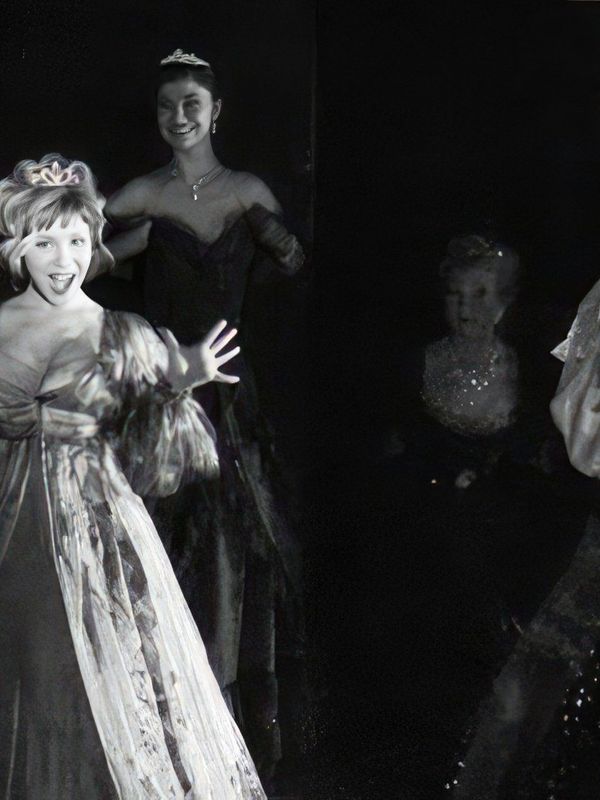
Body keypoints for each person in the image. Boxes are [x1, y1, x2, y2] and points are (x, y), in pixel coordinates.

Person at [0, 153, 266, 800]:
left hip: (93, 523)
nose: (63, 259)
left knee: (98, 664)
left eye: (75, 241)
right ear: (18, 246)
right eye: (44, 242)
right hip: (10, 518)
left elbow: (155, 454)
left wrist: (180, 382)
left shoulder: (119, 332)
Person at [103, 48, 306, 784]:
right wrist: (140, 242)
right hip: (162, 389)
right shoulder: (143, 192)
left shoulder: (246, 188)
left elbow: (291, 264)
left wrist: (269, 235)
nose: (178, 116)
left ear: (216, 112)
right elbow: (76, 258)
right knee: (160, 544)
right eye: (167, 105)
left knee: (231, 550)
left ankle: (224, 730)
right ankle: (157, 724)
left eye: (192, 103)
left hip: (228, 393)